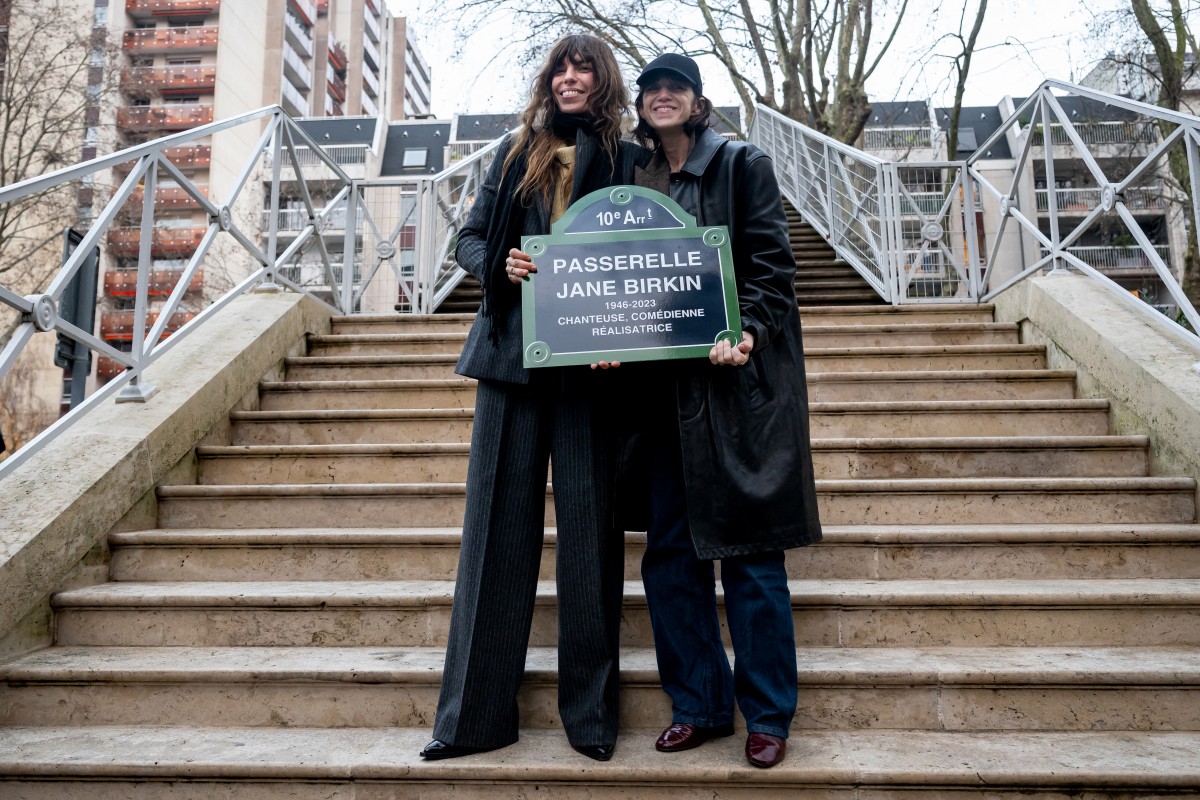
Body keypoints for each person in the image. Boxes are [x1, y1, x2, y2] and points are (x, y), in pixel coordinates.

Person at [419, 34, 649, 764]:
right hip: (511, 360)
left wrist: (627, 330)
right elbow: (469, 239)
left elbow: (642, 258)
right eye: (560, 68)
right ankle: (472, 721)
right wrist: (503, 262)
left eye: (583, 68)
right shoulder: (514, 151)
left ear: (601, 81)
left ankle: (592, 720)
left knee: (590, 541)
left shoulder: (629, 159)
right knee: (493, 538)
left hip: (590, 369)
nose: (569, 77)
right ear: (548, 79)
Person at [626, 54, 822, 769]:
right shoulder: (633, 179)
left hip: (735, 392)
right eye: (650, 88)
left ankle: (768, 715)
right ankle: (699, 706)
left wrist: (750, 332)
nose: (662, 96)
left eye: (675, 86)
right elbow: (615, 276)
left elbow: (774, 269)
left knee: (751, 559)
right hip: (660, 397)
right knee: (671, 558)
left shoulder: (743, 164)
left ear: (699, 102)